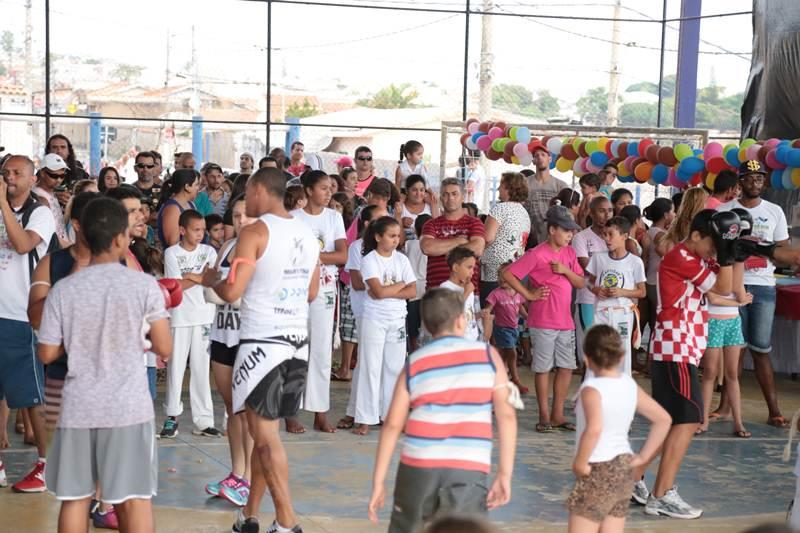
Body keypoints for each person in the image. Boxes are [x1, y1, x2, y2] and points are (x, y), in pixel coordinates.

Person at [38, 197, 172, 533]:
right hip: (128, 409)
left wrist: (81, 337)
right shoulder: (144, 286)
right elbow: (164, 346)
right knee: (135, 499)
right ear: (118, 239)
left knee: (76, 499)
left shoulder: (64, 290)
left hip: (79, 407)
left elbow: (47, 353)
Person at [203, 167, 320, 533]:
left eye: (248, 192)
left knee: (265, 438)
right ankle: (250, 516)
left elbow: (233, 291)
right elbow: (312, 293)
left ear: (257, 190)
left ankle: (287, 521)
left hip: (262, 346)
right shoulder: (308, 233)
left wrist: (213, 281)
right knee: (264, 433)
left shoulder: (255, 232)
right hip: (297, 345)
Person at [367, 288, 518, 532]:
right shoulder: (488, 356)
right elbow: (507, 416)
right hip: (468, 466)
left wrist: (378, 482)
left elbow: (393, 425)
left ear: (426, 326)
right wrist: (505, 473)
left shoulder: (415, 361)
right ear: (462, 320)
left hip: (419, 464)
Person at [639, 209, 739, 519]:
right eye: (712, 243)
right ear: (696, 236)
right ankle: (661, 493)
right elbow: (722, 287)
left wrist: (733, 249)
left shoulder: (694, 257)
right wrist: (727, 254)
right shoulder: (682, 256)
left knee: (671, 422)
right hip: (675, 347)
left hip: (681, 348)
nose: (714, 250)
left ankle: (634, 482)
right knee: (689, 418)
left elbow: (729, 287)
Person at [567, 325, 671, 533]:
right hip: (622, 466)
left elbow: (594, 429)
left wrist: (579, 462)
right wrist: (643, 458)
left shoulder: (591, 390)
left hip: (596, 466)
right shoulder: (629, 384)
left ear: (586, 358)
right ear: (622, 356)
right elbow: (663, 419)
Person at [718, 160, 790, 428]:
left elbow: (782, 247)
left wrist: (764, 250)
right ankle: (723, 407)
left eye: (759, 179)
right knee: (733, 350)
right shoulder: (725, 211)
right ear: (740, 182)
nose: (755, 183)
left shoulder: (775, 211)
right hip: (730, 286)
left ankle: (774, 410)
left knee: (761, 349)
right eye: (750, 178)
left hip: (762, 286)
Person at [0, 155, 55, 493]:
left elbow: (22, 245)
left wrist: (2, 206)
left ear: (32, 179)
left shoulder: (41, 213)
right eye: (5, 172)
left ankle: (46, 464)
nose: (9, 178)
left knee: (33, 397)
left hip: (22, 315)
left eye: (17, 173)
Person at [503, 205, 584, 433]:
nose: (570, 235)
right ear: (552, 230)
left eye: (572, 231)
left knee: (566, 367)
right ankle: (544, 415)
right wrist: (528, 294)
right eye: (566, 230)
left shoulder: (569, 254)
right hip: (543, 321)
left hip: (565, 321)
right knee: (543, 368)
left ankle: (558, 414)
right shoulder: (537, 253)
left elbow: (580, 281)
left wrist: (565, 271)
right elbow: (507, 273)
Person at [202, 195, 255, 508]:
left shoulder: (259, 250)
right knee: (231, 407)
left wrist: (220, 289)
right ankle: (236, 472)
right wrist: (220, 289)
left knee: (247, 409)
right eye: (235, 216)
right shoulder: (226, 247)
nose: (240, 222)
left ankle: (248, 478)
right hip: (222, 333)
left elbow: (233, 294)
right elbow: (214, 291)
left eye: (246, 216)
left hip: (246, 335)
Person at [291, 170, 347, 434]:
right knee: (295, 348)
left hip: (325, 289)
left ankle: (320, 412)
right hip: (296, 289)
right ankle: (290, 410)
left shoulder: (334, 217)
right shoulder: (293, 218)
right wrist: (321, 256)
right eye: (323, 188)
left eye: (330, 188)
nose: (328, 193)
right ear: (309, 190)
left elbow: (342, 255)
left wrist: (313, 257)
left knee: (322, 351)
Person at [350, 216, 416, 436]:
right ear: (378, 237)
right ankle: (365, 418)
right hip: (374, 319)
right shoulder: (369, 260)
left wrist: (389, 291)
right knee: (370, 367)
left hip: (397, 318)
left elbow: (412, 291)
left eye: (398, 236)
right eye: (391, 236)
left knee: (394, 369)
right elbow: (376, 292)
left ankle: (391, 417)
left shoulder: (402, 260)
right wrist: (398, 286)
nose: (396, 240)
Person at [160, 210, 220, 439]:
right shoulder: (171, 253)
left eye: (203, 230)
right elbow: (175, 286)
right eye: (196, 230)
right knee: (175, 368)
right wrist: (197, 277)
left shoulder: (209, 251)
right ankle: (171, 417)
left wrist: (192, 278)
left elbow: (211, 280)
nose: (200, 234)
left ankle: (203, 421)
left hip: (205, 315)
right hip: (180, 316)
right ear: (183, 230)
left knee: (201, 368)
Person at [585, 216, 646, 376]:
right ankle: (596, 389)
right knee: (598, 350)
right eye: (604, 234)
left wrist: (622, 292)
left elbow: (642, 291)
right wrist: (596, 289)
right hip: (601, 312)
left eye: (611, 234)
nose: (606, 238)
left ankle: (620, 392)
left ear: (624, 236)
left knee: (621, 353)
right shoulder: (599, 258)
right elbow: (589, 282)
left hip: (623, 314)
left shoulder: (635, 262)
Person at [335, 205, 386, 386]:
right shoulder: (358, 247)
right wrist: (384, 288)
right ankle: (359, 409)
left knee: (379, 362)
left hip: (383, 312)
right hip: (365, 311)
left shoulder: (390, 251)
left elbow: (406, 286)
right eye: (380, 220)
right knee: (367, 361)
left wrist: (382, 289)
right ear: (367, 224)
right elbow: (357, 283)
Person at [421, 178, 485, 294]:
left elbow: (478, 249)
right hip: (436, 292)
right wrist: (459, 241)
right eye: (445, 194)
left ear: (462, 197)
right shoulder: (431, 224)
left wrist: (442, 248)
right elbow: (427, 247)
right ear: (441, 198)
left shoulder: (474, 222)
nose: (450, 198)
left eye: (454, 194)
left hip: (467, 291)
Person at [572, 196, 614, 365]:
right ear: (591, 212)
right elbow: (588, 269)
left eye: (610, 210)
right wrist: (612, 270)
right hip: (588, 298)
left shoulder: (616, 238)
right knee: (590, 345)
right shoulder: (581, 238)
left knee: (608, 346)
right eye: (602, 210)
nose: (606, 215)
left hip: (612, 299)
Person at [480, 172, 531, 306]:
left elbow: (487, 238)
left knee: (492, 313)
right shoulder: (524, 213)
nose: (498, 189)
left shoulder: (500, 208)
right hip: (516, 269)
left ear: (509, 187)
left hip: (495, 272)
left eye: (501, 185)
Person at [484, 262, 528, 393]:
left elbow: (520, 308)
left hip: (513, 329)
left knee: (503, 355)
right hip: (501, 329)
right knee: (512, 353)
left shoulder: (518, 293)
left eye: (505, 276)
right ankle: (515, 380)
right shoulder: (495, 294)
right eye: (499, 275)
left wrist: (528, 318)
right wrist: (485, 313)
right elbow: (488, 308)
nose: (501, 279)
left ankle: (497, 380)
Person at [523, 141, 568, 246]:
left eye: (543, 155)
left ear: (550, 159)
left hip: (553, 238)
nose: (540, 158)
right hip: (529, 238)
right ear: (533, 161)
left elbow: (567, 213)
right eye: (536, 155)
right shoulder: (524, 184)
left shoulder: (560, 185)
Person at [642, 197, 675, 337]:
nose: (675, 214)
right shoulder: (659, 234)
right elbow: (671, 254)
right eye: (673, 211)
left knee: (655, 321)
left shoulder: (653, 231)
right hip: (657, 282)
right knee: (659, 323)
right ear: (666, 215)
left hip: (652, 280)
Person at [439, 246, 482, 342]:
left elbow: (468, 313)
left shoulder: (467, 287)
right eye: (469, 267)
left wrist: (480, 315)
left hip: (472, 339)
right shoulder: (445, 288)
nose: (473, 272)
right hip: (457, 342)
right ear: (455, 268)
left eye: (474, 268)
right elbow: (450, 313)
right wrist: (466, 292)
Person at [404, 214, 431, 353]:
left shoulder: (410, 244)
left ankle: (414, 353)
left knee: (413, 326)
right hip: (427, 287)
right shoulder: (433, 245)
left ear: (415, 229)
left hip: (412, 288)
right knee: (426, 325)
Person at [33, 153, 72, 248]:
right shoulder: (40, 198)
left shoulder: (52, 192)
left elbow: (59, 223)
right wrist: (70, 248)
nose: (59, 180)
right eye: (54, 176)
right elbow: (51, 233)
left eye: (62, 175)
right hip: (53, 249)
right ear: (42, 173)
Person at [156, 169, 201, 248]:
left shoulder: (191, 204)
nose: (198, 188)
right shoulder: (172, 209)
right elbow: (173, 243)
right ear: (187, 187)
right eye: (196, 184)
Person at [658, 187, 708, 255]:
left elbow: (661, 248)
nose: (707, 205)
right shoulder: (696, 225)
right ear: (699, 204)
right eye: (705, 202)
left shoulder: (677, 222)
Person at [45, 134, 89, 206]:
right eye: (54, 147)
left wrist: (73, 198)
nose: (59, 151)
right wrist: (53, 195)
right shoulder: (42, 173)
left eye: (63, 147)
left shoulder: (80, 172)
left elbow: (90, 194)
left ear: (69, 151)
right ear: (49, 151)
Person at [400, 174, 438, 241]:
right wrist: (401, 222)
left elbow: (438, 230)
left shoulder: (431, 206)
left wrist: (433, 206)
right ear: (406, 191)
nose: (418, 193)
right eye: (414, 190)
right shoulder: (400, 208)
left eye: (421, 190)